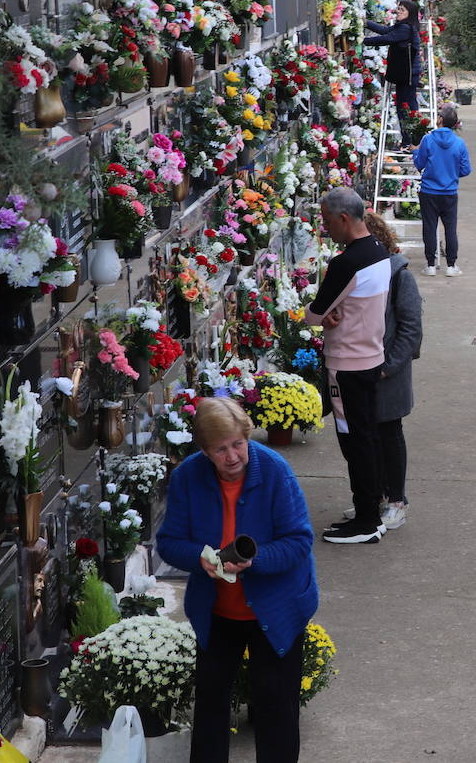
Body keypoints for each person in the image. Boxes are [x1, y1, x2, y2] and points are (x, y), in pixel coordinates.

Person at [157, 397, 317, 763]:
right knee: (210, 708)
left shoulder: (276, 471)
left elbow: (298, 541)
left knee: (276, 710)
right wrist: (199, 557)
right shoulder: (188, 477)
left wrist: (254, 560)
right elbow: (169, 542)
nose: (232, 456)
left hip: (275, 610)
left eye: (237, 444)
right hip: (217, 613)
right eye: (220, 449)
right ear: (204, 450)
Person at [306, 188, 392, 545]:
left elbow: (313, 313)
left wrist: (326, 316)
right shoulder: (379, 251)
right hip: (371, 356)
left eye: (327, 220)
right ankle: (370, 508)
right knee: (367, 436)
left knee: (353, 441)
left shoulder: (345, 263)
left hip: (347, 363)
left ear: (344, 219)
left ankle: (367, 521)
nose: (325, 228)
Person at [366, 212, 424, 528]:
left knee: (389, 434)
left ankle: (396, 499)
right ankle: (375, 497)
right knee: (369, 438)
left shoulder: (400, 275)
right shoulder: (360, 273)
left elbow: (411, 327)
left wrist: (389, 367)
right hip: (363, 368)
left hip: (388, 372)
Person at [412, 104, 472, 277]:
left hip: (429, 190)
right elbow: (466, 169)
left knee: (429, 227)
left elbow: (419, 164)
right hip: (449, 191)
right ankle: (451, 265)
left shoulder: (428, 140)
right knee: (450, 228)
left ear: (440, 120)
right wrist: (452, 173)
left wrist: (415, 153)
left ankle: (430, 264)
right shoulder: (459, 143)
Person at [362, 0, 424, 145]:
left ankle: (410, 141)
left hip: (408, 75)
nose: (398, 12)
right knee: (406, 106)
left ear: (410, 14)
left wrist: (364, 41)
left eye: (402, 10)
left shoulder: (405, 28)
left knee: (405, 107)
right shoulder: (403, 26)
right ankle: (411, 140)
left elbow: (387, 38)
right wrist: (366, 22)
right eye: (398, 9)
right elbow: (385, 31)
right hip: (407, 75)